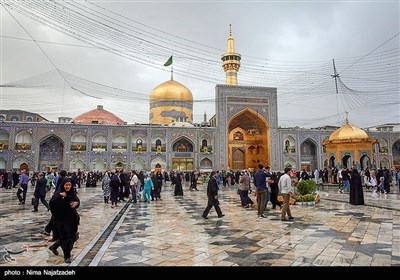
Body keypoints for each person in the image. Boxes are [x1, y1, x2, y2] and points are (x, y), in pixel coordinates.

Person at [48, 178, 80, 263]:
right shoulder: (59, 193)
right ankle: (67, 256)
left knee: (73, 237)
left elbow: (76, 200)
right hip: (61, 220)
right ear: (63, 185)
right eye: (66, 185)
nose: (68, 187)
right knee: (65, 238)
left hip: (72, 219)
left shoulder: (72, 193)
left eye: (69, 185)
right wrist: (60, 197)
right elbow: (52, 204)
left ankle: (54, 247)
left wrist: (77, 203)